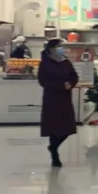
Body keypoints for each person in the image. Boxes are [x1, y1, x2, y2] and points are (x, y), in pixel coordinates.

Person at [38, 38, 78, 167]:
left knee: (67, 128)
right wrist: (60, 86)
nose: (61, 49)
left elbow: (74, 76)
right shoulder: (45, 63)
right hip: (52, 99)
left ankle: (53, 147)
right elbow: (43, 81)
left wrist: (71, 84)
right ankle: (55, 156)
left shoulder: (66, 62)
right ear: (51, 49)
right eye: (58, 46)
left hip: (65, 98)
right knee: (53, 128)